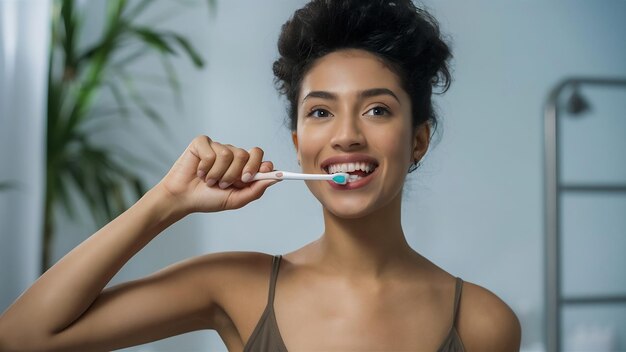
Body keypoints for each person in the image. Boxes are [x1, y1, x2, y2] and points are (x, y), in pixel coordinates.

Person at [0, 0, 521, 351]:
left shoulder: (483, 323)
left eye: (377, 110)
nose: (346, 136)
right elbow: (22, 336)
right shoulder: (235, 285)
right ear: (299, 146)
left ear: (417, 141)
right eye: (320, 112)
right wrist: (166, 201)